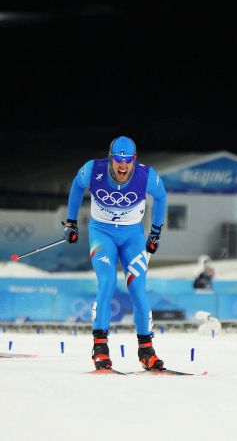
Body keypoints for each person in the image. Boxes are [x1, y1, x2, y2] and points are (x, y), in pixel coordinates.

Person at [63, 136, 167, 371]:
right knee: (108, 282)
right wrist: (71, 222)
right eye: (118, 161)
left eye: (127, 161)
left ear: (134, 160)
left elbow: (161, 197)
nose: (123, 166)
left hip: (133, 236)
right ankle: (100, 347)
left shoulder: (147, 175)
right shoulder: (92, 169)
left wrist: (155, 233)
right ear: (110, 159)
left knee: (138, 289)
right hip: (102, 234)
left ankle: (146, 350)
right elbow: (76, 186)